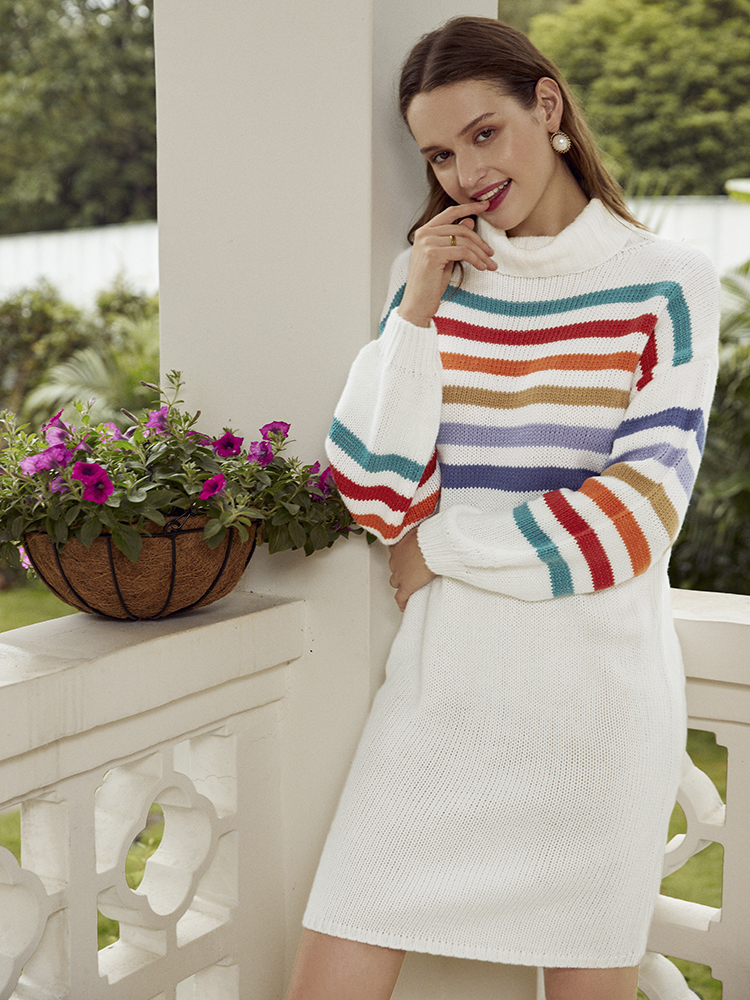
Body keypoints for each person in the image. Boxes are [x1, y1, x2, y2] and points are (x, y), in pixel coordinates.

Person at [287, 16, 719, 1000]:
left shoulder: (668, 284)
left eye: (485, 133)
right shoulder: (428, 282)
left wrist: (441, 545)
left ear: (547, 106)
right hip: (445, 691)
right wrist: (417, 311)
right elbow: (373, 492)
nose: (467, 173)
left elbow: (636, 520)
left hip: (597, 704)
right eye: (440, 155)